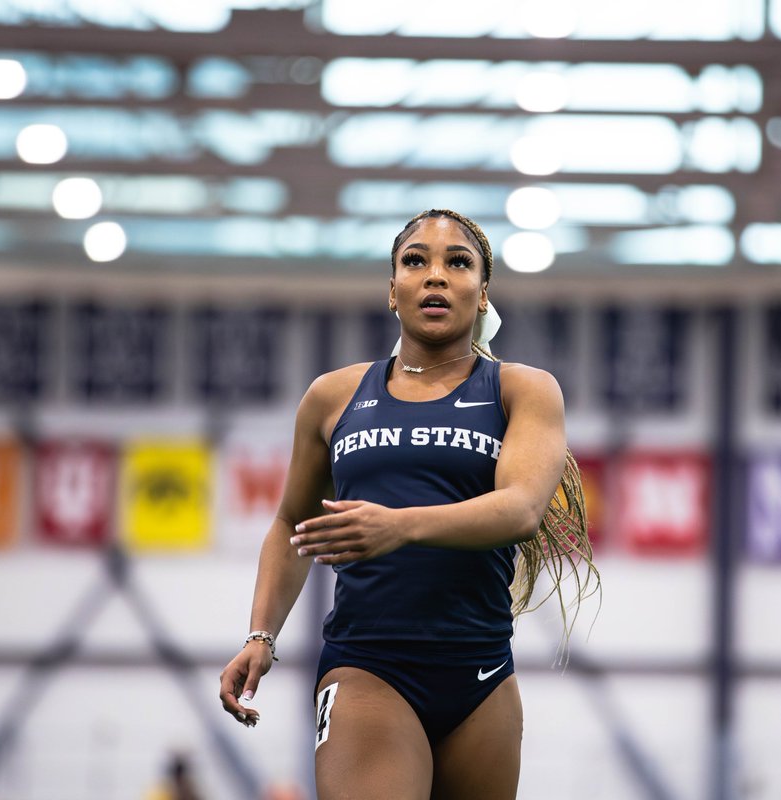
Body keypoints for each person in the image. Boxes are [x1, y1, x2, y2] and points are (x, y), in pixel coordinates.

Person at [218, 209, 598, 799]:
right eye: (415, 261)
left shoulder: (523, 390)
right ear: (392, 291)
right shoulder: (333, 396)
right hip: (368, 665)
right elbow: (294, 522)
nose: (435, 275)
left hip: (482, 675)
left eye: (458, 263)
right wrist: (261, 635)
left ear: (483, 293)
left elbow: (521, 509)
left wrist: (399, 527)